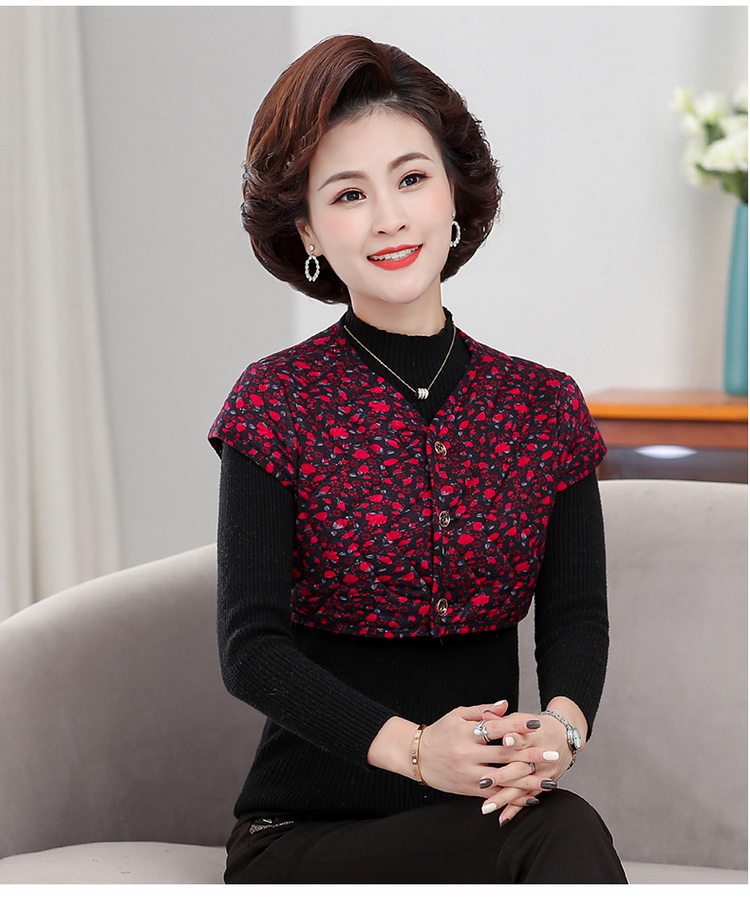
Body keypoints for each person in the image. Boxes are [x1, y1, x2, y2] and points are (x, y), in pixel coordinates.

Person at [207, 34, 628, 885]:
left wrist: (559, 732)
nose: (389, 219)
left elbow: (575, 618)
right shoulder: (275, 401)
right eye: (349, 194)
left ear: (453, 195)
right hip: (305, 832)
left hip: (483, 822)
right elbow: (251, 649)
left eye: (410, 179)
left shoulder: (543, 407)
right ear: (308, 228)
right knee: (557, 840)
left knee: (556, 828)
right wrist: (415, 751)